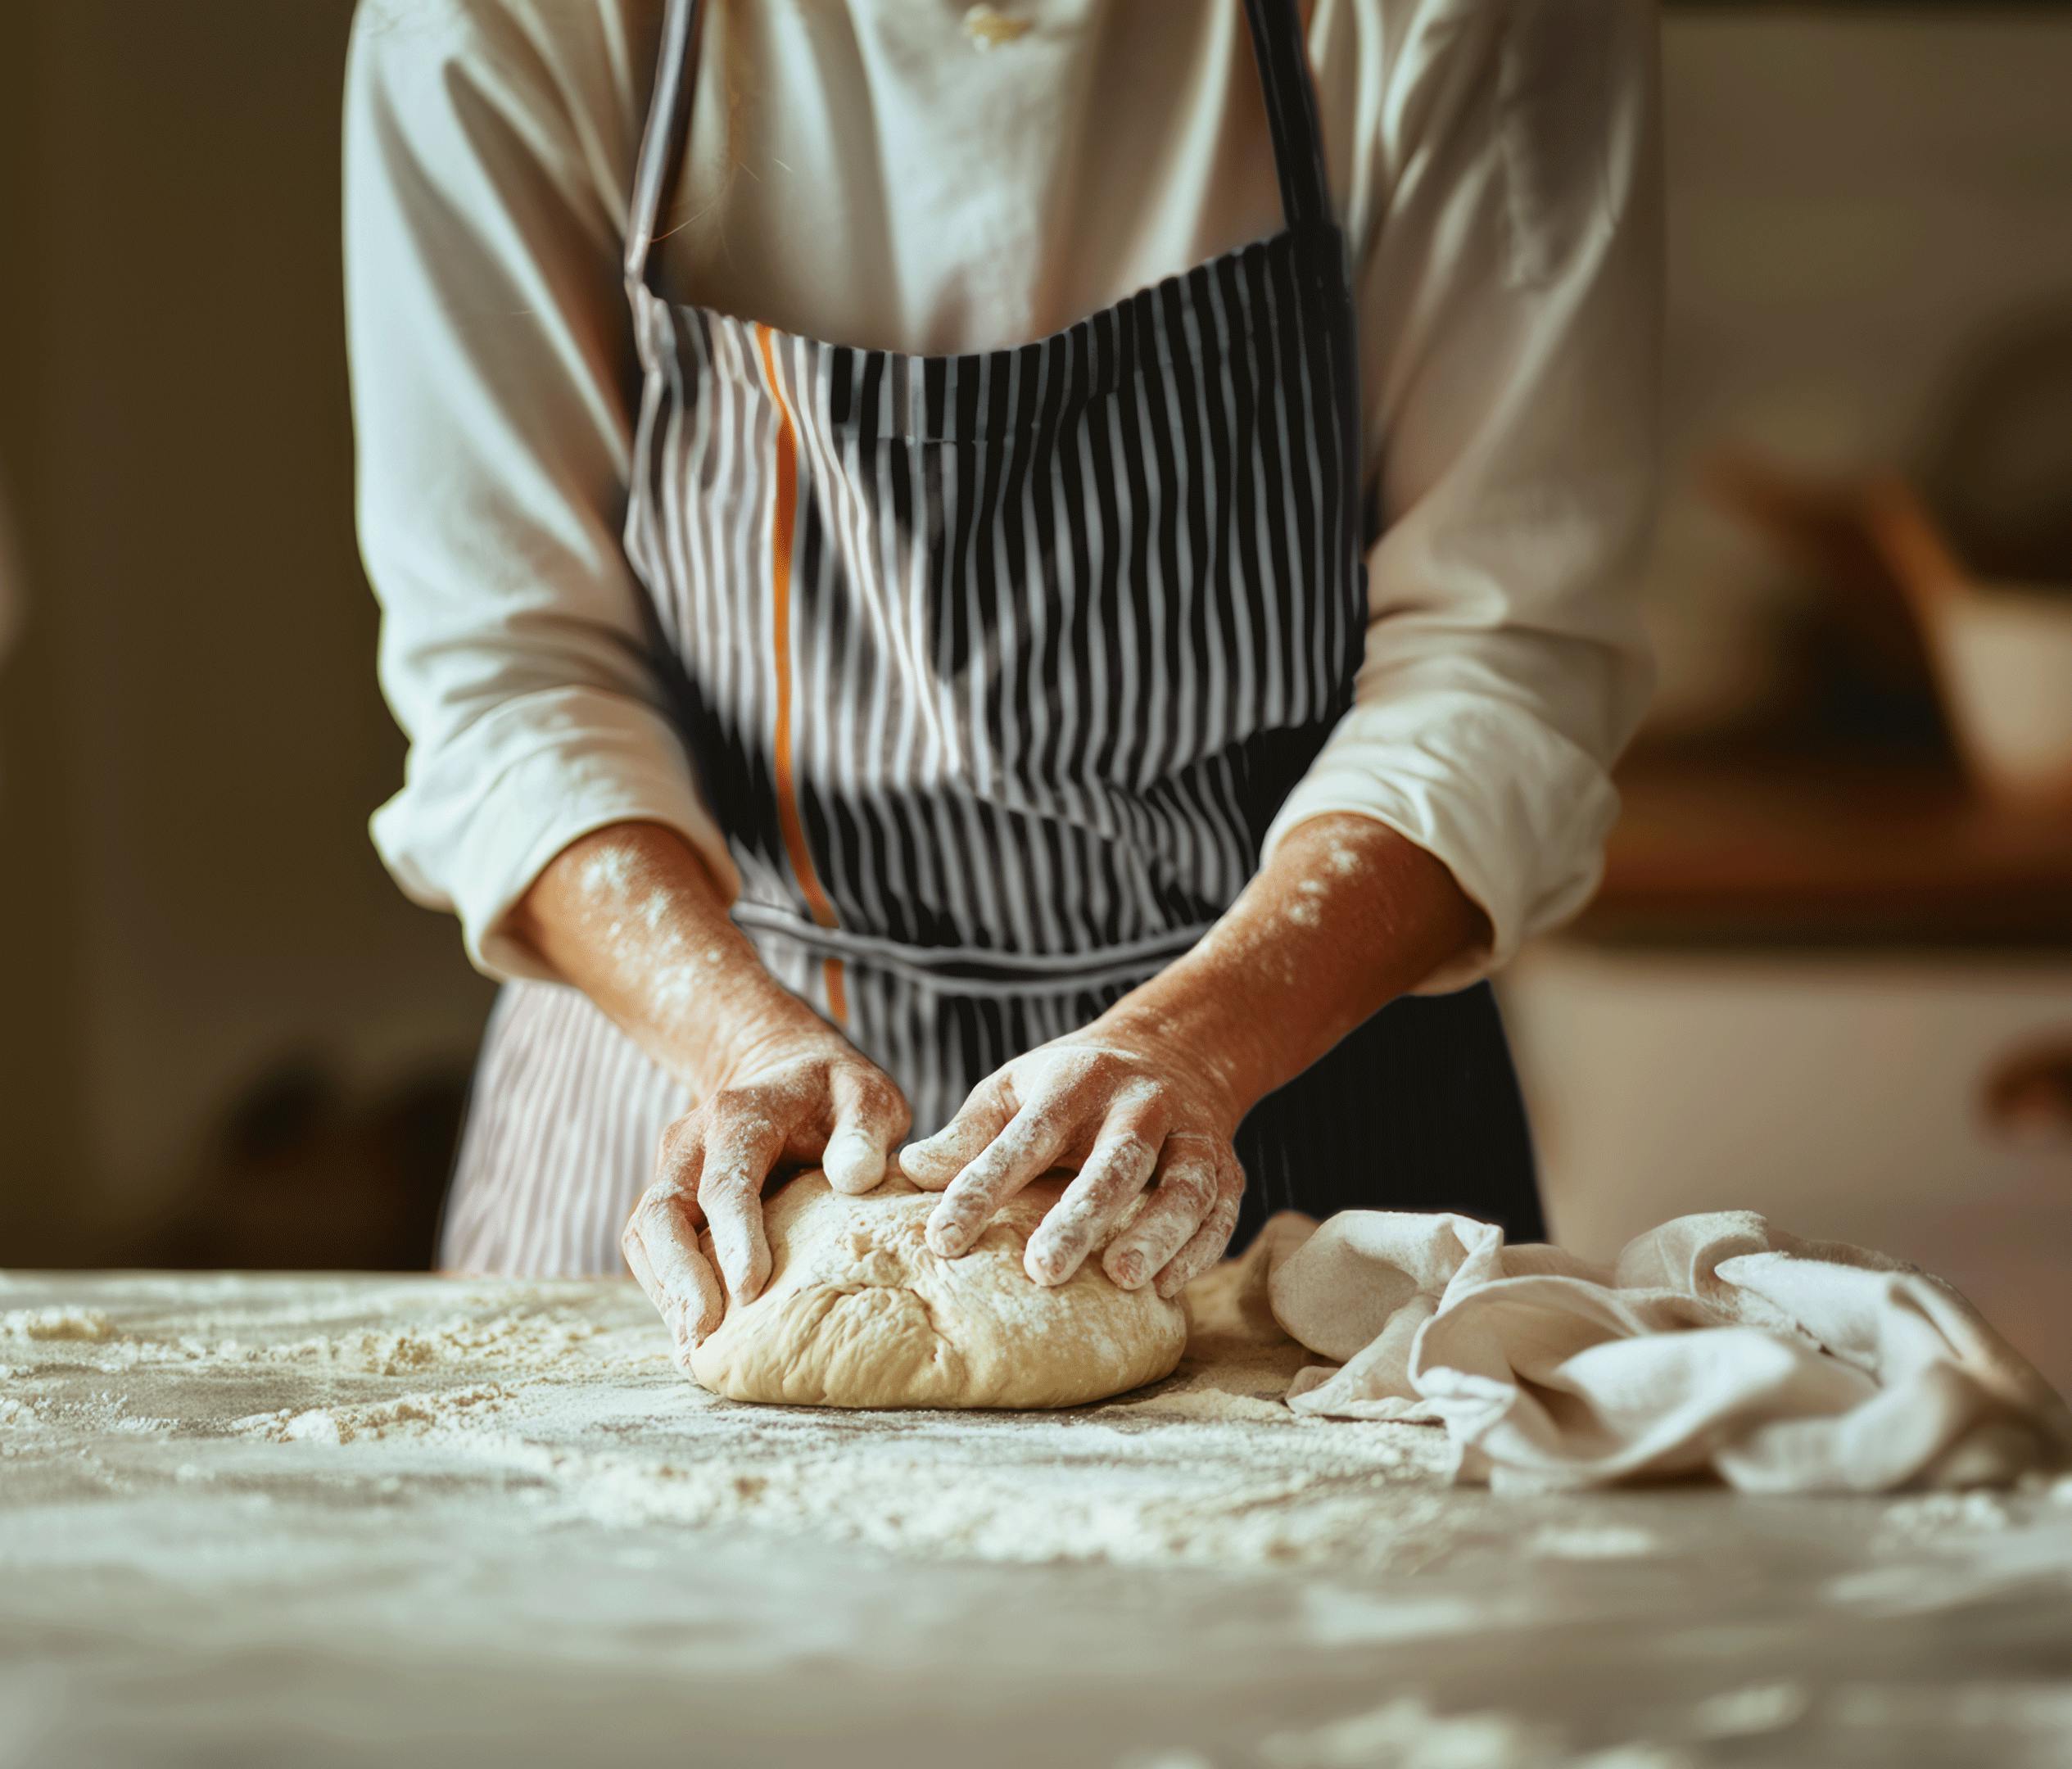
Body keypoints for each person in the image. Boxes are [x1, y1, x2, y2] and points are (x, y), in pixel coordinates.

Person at [345, 0, 1660, 1359]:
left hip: (1299, 1081)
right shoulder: (499, 22)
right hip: (699, 1102)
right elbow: (512, 677)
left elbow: (1502, 650)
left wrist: (1198, 1045)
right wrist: (738, 1044)